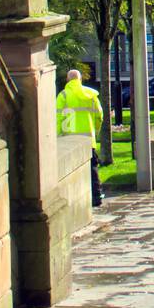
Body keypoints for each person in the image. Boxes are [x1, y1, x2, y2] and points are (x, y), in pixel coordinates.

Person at [56, 69, 105, 208]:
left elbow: (58, 118)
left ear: (67, 80)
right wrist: (95, 130)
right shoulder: (91, 95)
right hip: (89, 138)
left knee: (71, 170)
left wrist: (58, 136)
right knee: (92, 168)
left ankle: (73, 199)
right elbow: (99, 116)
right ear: (80, 79)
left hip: (69, 138)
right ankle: (96, 197)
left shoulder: (63, 96)